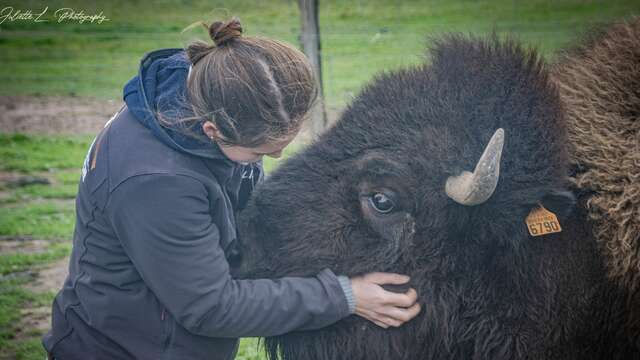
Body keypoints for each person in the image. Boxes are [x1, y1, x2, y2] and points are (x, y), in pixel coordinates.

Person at [42, 18, 421, 360]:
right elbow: (210, 306)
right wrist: (344, 296)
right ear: (213, 131)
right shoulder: (157, 183)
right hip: (124, 350)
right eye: (261, 151)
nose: (275, 157)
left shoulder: (212, 87)